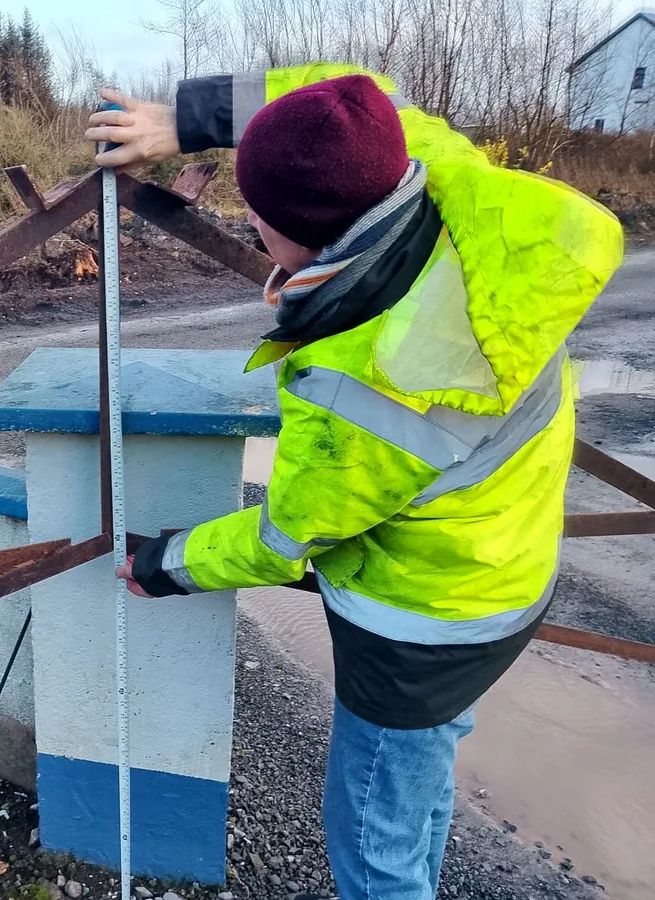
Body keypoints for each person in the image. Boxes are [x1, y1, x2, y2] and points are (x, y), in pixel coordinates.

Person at [87, 64, 623, 900]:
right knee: (421, 781)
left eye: (257, 221)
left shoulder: (369, 383)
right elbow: (352, 92)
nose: (254, 231)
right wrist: (184, 119)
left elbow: (286, 534)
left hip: (426, 627)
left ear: (298, 237)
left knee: (374, 836)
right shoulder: (439, 174)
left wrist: (163, 565)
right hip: (509, 564)